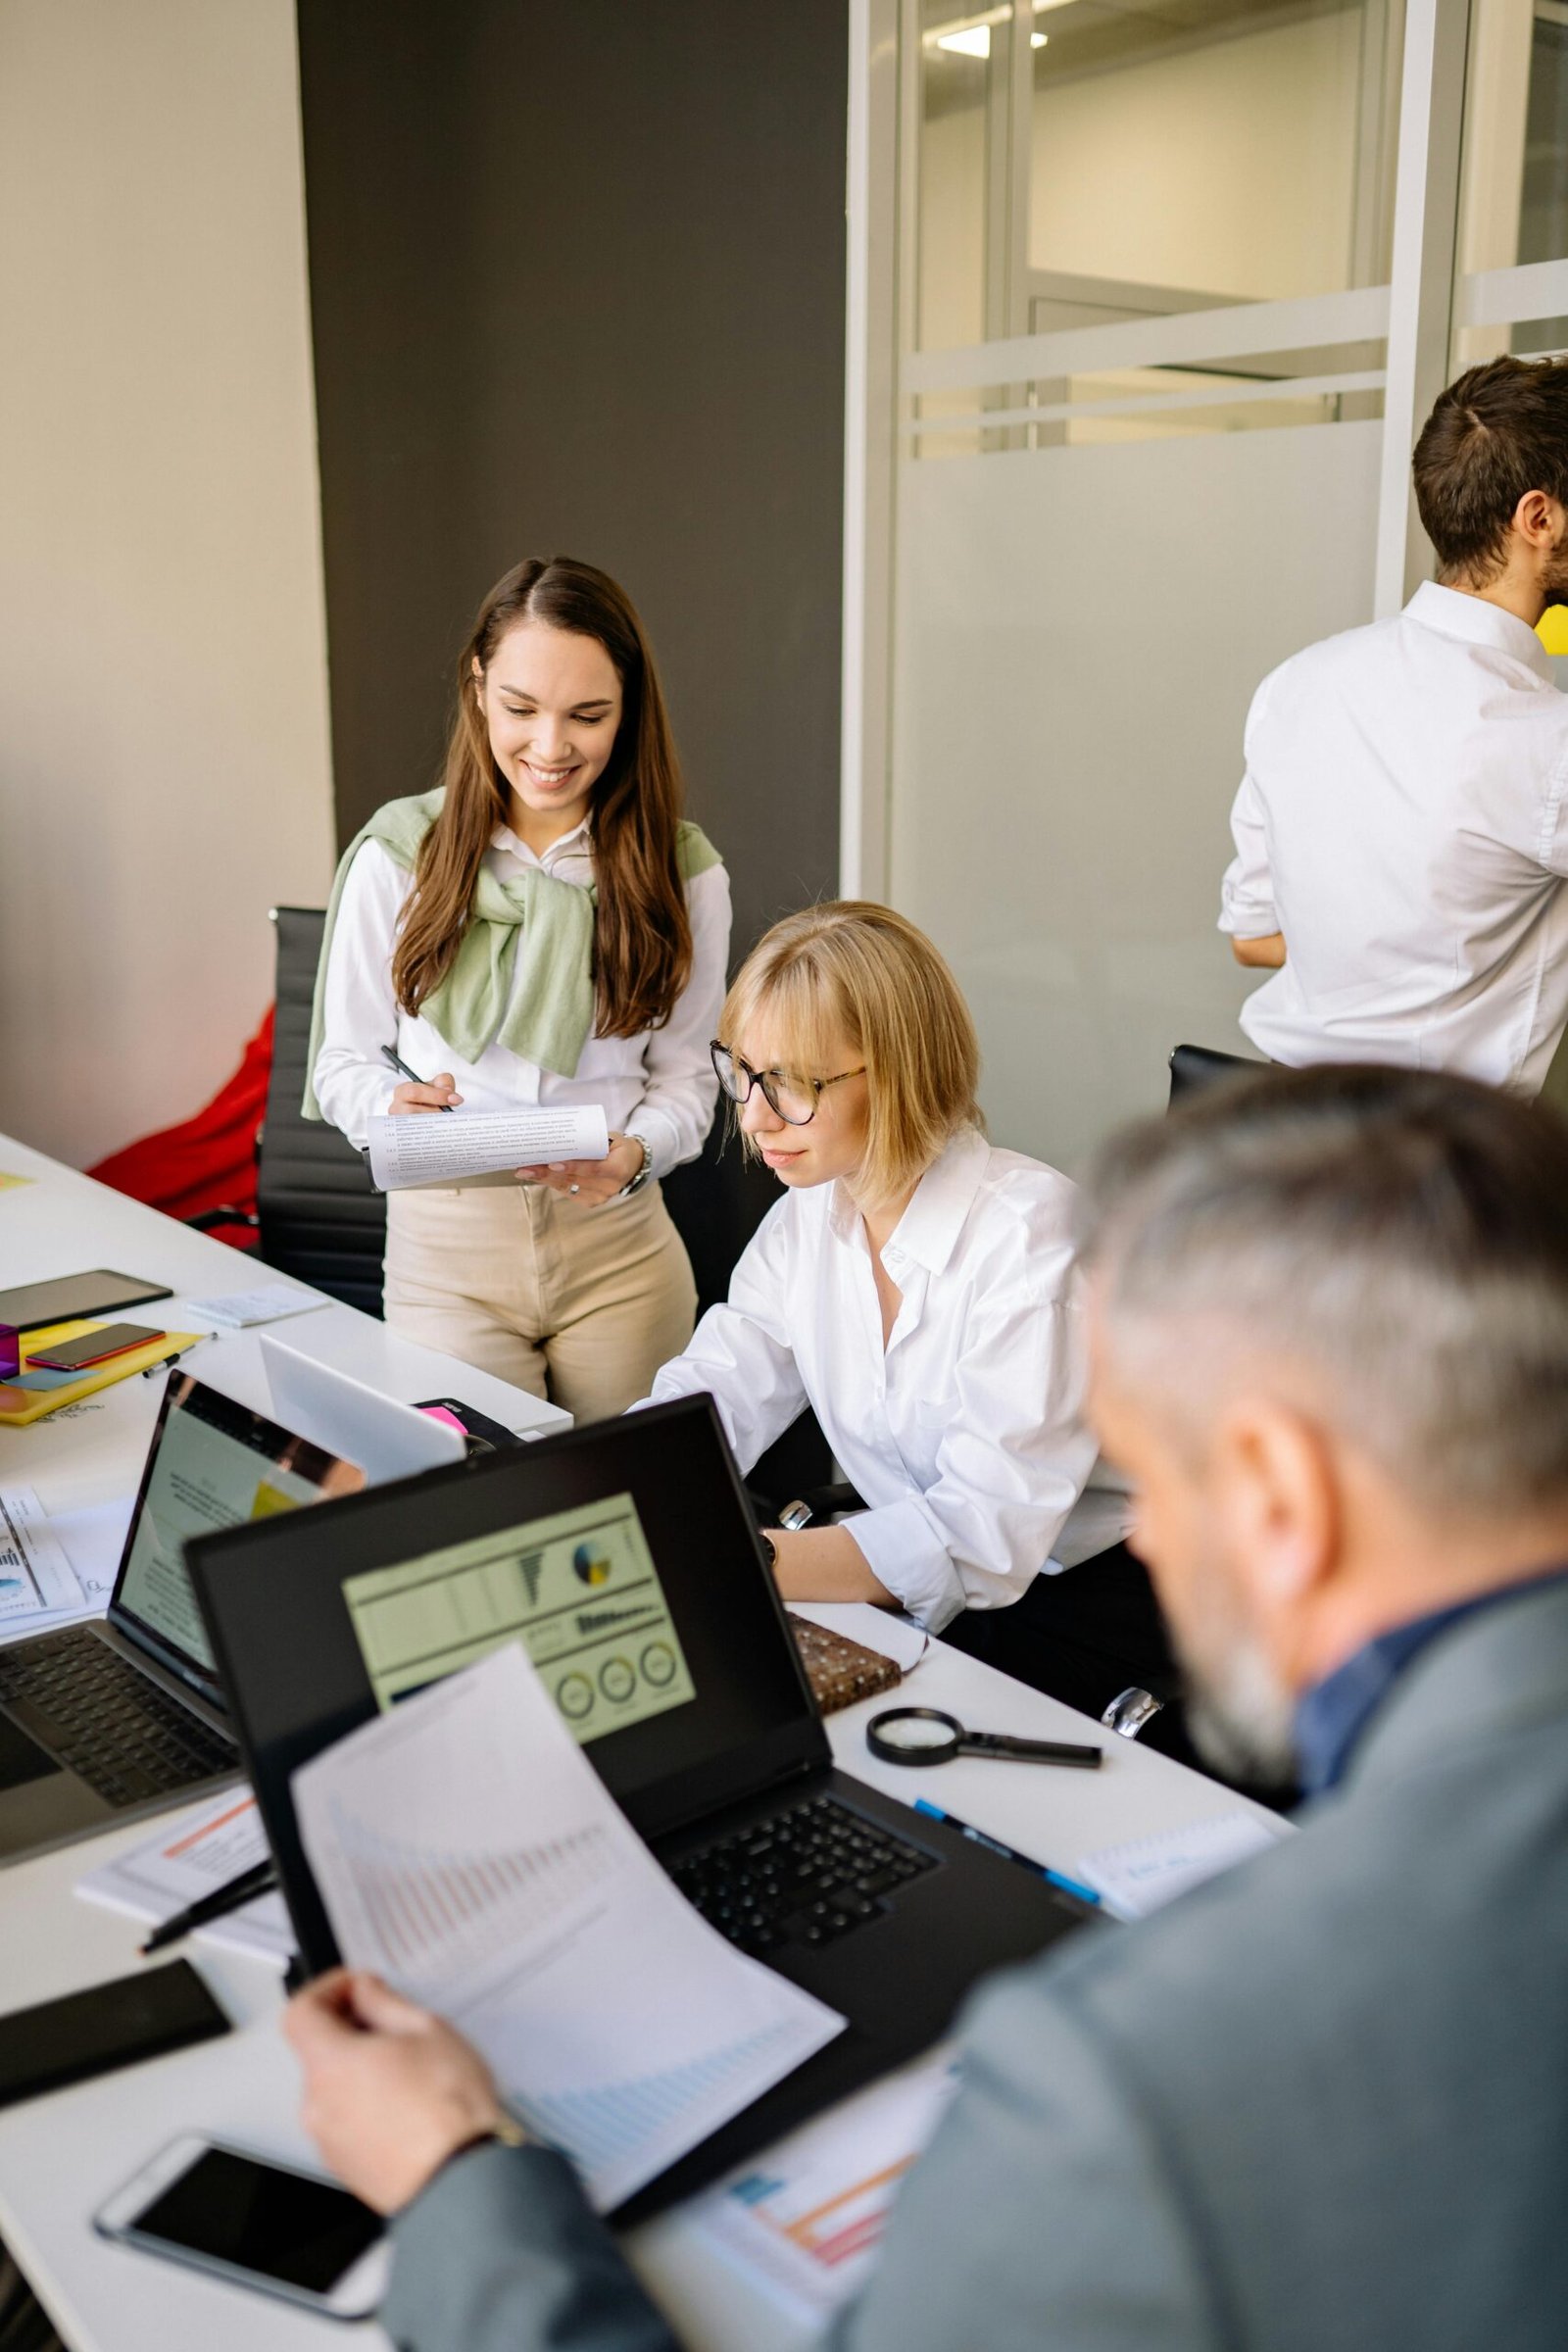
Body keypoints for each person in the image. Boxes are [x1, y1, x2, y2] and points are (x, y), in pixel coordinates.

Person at [287, 1065, 1568, 2349]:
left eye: (1161, 1475)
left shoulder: (1120, 2088)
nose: (1157, 1540)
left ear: (1284, 1496)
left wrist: (456, 2180)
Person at [307, 557, 731, 1422]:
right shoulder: (399, 852)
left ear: (630, 709)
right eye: (520, 709)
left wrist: (637, 1154)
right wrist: (391, 1108)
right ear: (477, 688)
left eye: (588, 715)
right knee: (477, 1517)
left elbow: (690, 1077)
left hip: (620, 1248)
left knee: (636, 1519)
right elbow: (340, 1060)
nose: (550, 747)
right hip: (447, 1250)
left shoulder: (683, 871)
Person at [647, 900, 1124, 1634]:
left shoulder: (1032, 1244)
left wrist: (736, 1559)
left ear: (898, 1072)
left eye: (792, 1083)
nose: (752, 1117)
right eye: (742, 1072)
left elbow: (981, 1539)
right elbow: (719, 1387)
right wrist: (607, 1494)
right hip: (908, 1583)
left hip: (1069, 1608)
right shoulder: (811, 1214)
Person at [1219, 356, 1568, 1092]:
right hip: (1430, 1166)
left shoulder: (1298, 682)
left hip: (1277, 1128)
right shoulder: (1544, 741)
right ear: (1539, 517)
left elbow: (1252, 939)